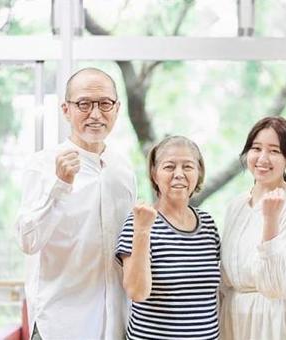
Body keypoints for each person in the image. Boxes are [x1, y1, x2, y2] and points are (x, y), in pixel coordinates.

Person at [14, 67, 136, 339]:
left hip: (115, 323)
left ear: (117, 108)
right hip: (61, 324)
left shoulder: (123, 170)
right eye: (84, 104)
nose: (95, 114)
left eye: (105, 103)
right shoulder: (42, 165)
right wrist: (61, 185)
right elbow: (28, 242)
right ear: (66, 110)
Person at [220, 116, 286, 340]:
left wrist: (270, 220)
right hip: (235, 319)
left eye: (274, 151)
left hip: (276, 320)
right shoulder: (236, 205)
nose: (262, 158)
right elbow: (226, 278)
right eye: (256, 148)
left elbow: (278, 286)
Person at [115, 136, 221, 340]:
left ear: (198, 173)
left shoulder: (208, 224)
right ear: (155, 174)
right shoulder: (138, 222)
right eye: (169, 166)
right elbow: (136, 292)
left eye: (188, 166)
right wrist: (143, 232)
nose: (179, 174)